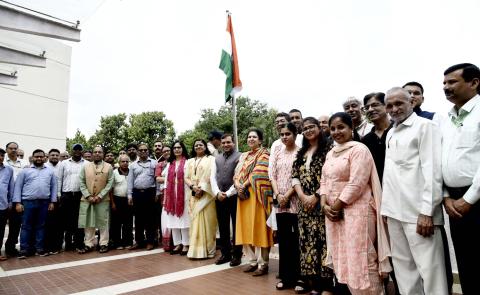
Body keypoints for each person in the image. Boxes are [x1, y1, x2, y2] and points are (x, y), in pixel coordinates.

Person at [382, 87, 447, 295]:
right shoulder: (391, 132)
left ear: (412, 102)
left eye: (399, 103)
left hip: (419, 215)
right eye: (390, 105)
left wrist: (427, 212)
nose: (394, 109)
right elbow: (390, 174)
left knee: (431, 272)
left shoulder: (425, 127)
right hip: (394, 213)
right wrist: (386, 209)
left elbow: (434, 172)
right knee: (404, 271)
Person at [320, 112, 392, 294]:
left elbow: (357, 182)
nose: (336, 131)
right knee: (343, 256)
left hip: (357, 211)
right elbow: (323, 182)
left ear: (351, 128)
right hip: (334, 215)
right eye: (333, 128)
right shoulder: (330, 154)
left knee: (362, 257)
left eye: (341, 127)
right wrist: (324, 205)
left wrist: (334, 207)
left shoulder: (359, 150)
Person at [441, 63, 480, 295]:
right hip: (453, 202)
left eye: (452, 82)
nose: (446, 87)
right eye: (444, 83)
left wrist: (469, 199)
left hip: (474, 198)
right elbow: (442, 160)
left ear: (474, 83)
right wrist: (446, 197)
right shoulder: (447, 118)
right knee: (467, 261)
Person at [292, 117, 334, 294]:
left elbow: (331, 176)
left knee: (323, 243)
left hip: (322, 203)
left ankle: (326, 284)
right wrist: (302, 196)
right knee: (307, 243)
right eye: (305, 128)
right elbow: (294, 176)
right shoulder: (301, 153)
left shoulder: (329, 150)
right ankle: (313, 281)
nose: (308, 130)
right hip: (304, 207)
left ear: (319, 128)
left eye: (312, 127)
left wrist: (315, 197)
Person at [234, 128, 273, 277]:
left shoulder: (264, 153)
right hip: (243, 197)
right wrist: (238, 185)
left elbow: (259, 173)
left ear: (260, 140)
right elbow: (237, 173)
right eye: (249, 137)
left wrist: (243, 186)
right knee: (245, 227)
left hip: (257, 195)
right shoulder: (244, 155)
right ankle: (252, 261)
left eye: (254, 137)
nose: (251, 139)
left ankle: (263, 263)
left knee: (259, 228)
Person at [270, 122, 301, 290]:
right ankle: (286, 277)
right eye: (282, 134)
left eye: (288, 134)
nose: (284, 137)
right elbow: (272, 175)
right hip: (280, 201)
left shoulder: (300, 152)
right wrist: (278, 194)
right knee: (284, 240)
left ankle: (299, 278)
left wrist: (287, 195)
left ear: (295, 134)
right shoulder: (277, 152)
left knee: (296, 239)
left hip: (295, 199)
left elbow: (300, 176)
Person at [13, 149, 57, 258]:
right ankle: (24, 250)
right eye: (36, 156)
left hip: (44, 203)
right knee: (26, 226)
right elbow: (18, 187)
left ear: (44, 158)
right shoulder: (25, 171)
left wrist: (52, 201)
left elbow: (54, 187)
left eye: (41, 157)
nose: (39, 158)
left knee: (41, 226)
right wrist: (18, 203)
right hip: (28, 202)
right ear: (32, 158)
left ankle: (39, 249)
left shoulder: (50, 171)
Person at [210, 134, 242, 266]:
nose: (225, 145)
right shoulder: (217, 158)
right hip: (219, 197)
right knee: (223, 227)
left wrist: (228, 194)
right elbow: (212, 177)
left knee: (236, 227)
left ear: (233, 143)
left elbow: (240, 177)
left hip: (234, 197)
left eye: (228, 142)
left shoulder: (241, 156)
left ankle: (237, 255)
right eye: (223, 143)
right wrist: (217, 193)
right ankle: (225, 254)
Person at [184, 139, 217, 259]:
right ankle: (195, 251)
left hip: (207, 195)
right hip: (194, 194)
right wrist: (193, 187)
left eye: (201, 145)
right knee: (195, 221)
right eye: (196, 145)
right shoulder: (189, 161)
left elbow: (211, 176)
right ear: (193, 148)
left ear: (205, 147)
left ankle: (209, 250)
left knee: (208, 222)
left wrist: (202, 189)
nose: (198, 146)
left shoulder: (211, 159)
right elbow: (186, 177)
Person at [78, 146, 114, 254]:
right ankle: (89, 244)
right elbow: (81, 182)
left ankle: (103, 243)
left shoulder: (108, 167)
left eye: (100, 152)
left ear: (103, 154)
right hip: (87, 199)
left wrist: (100, 196)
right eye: (95, 152)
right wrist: (88, 196)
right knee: (88, 222)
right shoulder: (85, 166)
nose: (97, 154)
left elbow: (110, 183)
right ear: (93, 154)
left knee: (103, 222)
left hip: (102, 200)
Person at [127, 143, 157, 251]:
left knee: (150, 218)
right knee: (138, 219)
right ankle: (139, 241)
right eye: (141, 150)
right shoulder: (133, 165)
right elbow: (130, 181)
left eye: (145, 150)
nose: (143, 152)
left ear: (148, 151)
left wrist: (157, 193)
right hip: (137, 193)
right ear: (138, 152)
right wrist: (129, 195)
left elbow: (157, 179)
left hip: (150, 193)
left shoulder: (154, 163)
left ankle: (150, 241)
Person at [57, 143, 86, 252]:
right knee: (66, 221)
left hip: (80, 195)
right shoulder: (63, 163)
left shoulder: (87, 164)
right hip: (66, 195)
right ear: (71, 150)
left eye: (80, 149)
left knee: (79, 221)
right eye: (75, 149)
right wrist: (59, 195)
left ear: (82, 151)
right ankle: (68, 244)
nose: (77, 151)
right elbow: (59, 179)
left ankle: (79, 243)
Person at [163, 141, 190, 255]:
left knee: (184, 221)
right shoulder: (170, 164)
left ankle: (186, 244)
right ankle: (177, 244)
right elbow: (165, 182)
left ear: (183, 149)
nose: (177, 150)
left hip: (183, 195)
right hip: (171, 196)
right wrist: (165, 198)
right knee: (173, 221)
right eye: (175, 148)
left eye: (179, 147)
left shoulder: (188, 162)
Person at [3, 142, 28, 257]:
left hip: (18, 198)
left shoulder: (24, 164)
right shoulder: (2, 162)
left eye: (15, 148)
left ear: (18, 150)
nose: (13, 150)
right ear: (6, 149)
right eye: (10, 148)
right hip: (3, 198)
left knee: (15, 225)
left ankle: (11, 247)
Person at [361, 92, 392, 182]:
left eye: (375, 105)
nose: (370, 109)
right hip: (378, 188)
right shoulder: (365, 140)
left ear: (386, 107)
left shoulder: (398, 131)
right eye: (367, 107)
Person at [110, 155, 133, 249]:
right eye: (123, 161)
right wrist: (113, 203)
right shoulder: (114, 172)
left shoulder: (132, 172)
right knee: (116, 223)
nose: (125, 163)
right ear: (119, 163)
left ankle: (128, 242)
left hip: (129, 200)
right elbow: (110, 189)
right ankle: (117, 243)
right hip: (117, 199)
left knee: (128, 222)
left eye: (127, 161)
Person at [44, 149, 63, 255]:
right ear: (48, 156)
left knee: (59, 224)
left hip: (60, 198)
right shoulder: (45, 166)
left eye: (57, 155)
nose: (55, 156)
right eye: (52, 155)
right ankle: (47, 246)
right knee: (48, 224)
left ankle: (57, 246)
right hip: (48, 199)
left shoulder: (62, 166)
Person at [0, 148, 14, 261]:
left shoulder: (8, 170)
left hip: (3, 206)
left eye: (1, 155)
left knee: (0, 231)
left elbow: (11, 188)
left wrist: (10, 203)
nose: (0, 157)